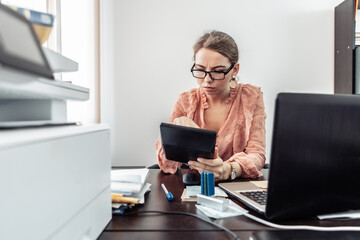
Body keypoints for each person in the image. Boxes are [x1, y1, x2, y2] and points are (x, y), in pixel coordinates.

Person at [155, 30, 266, 181]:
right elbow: (166, 163)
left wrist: (229, 169)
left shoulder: (251, 97)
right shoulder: (185, 101)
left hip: (234, 185)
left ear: (234, 70)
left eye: (218, 71)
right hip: (193, 186)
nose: (207, 80)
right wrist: (179, 134)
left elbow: (257, 154)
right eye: (200, 70)